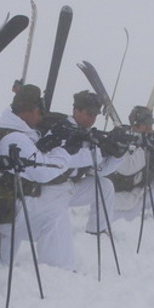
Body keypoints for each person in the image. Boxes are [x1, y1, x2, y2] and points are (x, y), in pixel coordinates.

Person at [0, 83, 74, 269]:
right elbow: (42, 172)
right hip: (7, 208)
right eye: (39, 111)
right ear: (26, 111)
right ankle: (59, 270)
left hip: (2, 202)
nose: (41, 117)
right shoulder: (15, 138)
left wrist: (48, 142)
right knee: (55, 216)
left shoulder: (8, 128)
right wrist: (65, 152)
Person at [39, 90, 125, 235]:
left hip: (70, 187)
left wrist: (118, 154)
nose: (92, 119)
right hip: (50, 190)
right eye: (88, 114)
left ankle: (97, 231)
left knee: (104, 186)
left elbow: (98, 171)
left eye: (95, 115)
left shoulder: (86, 133)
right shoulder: (61, 129)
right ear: (75, 110)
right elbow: (56, 160)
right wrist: (99, 152)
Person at [107, 105, 154, 229]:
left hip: (138, 194)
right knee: (117, 227)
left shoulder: (148, 143)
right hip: (118, 200)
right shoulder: (123, 141)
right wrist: (145, 148)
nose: (149, 130)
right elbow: (127, 169)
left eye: (150, 126)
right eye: (145, 126)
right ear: (135, 125)